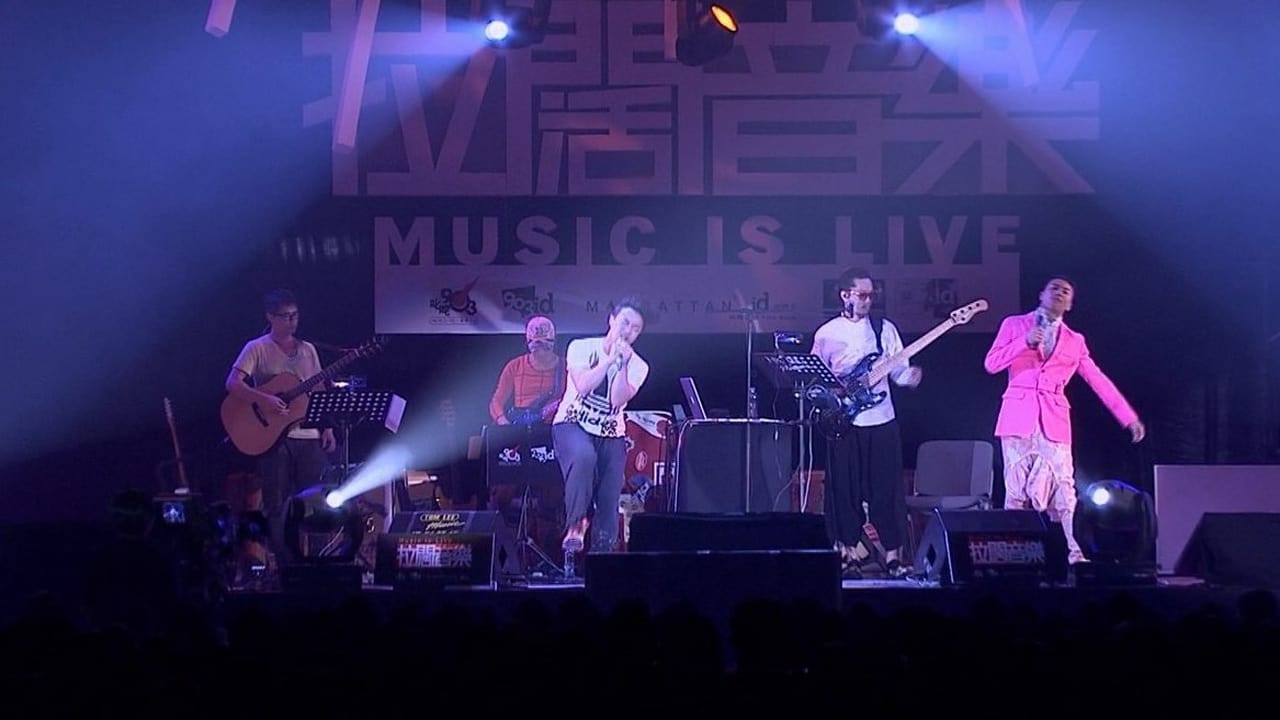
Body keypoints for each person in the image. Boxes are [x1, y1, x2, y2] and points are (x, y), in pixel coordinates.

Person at [984, 276, 1146, 565]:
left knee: (1065, 490)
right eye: (1054, 288)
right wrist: (1023, 342)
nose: (1059, 292)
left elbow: (1098, 380)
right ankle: (1014, 552)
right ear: (1041, 294)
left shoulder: (1075, 340)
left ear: (1070, 303)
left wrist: (1127, 417)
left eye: (1066, 290)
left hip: (1054, 420)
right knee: (1016, 490)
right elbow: (991, 364)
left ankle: (1074, 553)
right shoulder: (1015, 324)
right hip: (1018, 416)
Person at [813, 268, 921, 578]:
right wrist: (834, 396)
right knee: (843, 491)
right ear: (845, 295)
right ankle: (848, 554)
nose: (867, 301)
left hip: (882, 419)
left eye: (871, 295)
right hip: (845, 423)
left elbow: (899, 370)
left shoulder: (884, 329)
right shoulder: (827, 333)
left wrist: (909, 377)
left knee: (887, 489)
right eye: (862, 295)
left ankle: (893, 557)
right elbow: (817, 380)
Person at [225, 289, 336, 561]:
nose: (291, 321)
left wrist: (327, 427)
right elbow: (233, 383)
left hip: (308, 434)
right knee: (277, 504)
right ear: (270, 316)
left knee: (318, 501)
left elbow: (318, 390)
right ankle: (287, 564)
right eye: (285, 316)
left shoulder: (308, 350)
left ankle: (320, 562)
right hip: (273, 438)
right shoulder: (257, 348)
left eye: (295, 315)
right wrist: (264, 399)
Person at [551, 298, 649, 566]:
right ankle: (576, 525)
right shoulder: (581, 347)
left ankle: (603, 557)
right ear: (611, 320)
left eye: (636, 329)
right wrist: (608, 360)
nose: (628, 331)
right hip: (572, 423)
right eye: (625, 323)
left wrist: (622, 365)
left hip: (611, 433)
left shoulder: (639, 366)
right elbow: (583, 386)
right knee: (584, 457)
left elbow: (616, 400)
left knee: (609, 495)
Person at [488, 315, 566, 425]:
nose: (540, 351)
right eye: (535, 345)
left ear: (553, 342)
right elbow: (496, 402)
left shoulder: (567, 366)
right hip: (521, 427)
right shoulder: (515, 365)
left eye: (543, 345)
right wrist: (503, 422)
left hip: (555, 426)